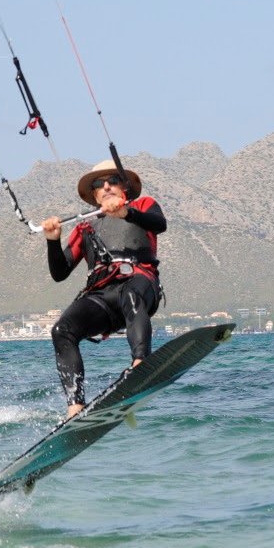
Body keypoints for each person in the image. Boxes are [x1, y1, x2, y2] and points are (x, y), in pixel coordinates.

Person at [41, 160, 166, 420]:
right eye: (99, 184)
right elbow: (60, 272)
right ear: (95, 195)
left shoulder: (142, 206)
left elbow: (159, 224)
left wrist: (126, 214)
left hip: (139, 284)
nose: (106, 186)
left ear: (125, 188)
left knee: (131, 294)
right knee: (61, 330)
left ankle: (140, 364)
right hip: (101, 296)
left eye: (113, 181)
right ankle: (75, 406)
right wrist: (53, 242)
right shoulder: (86, 225)